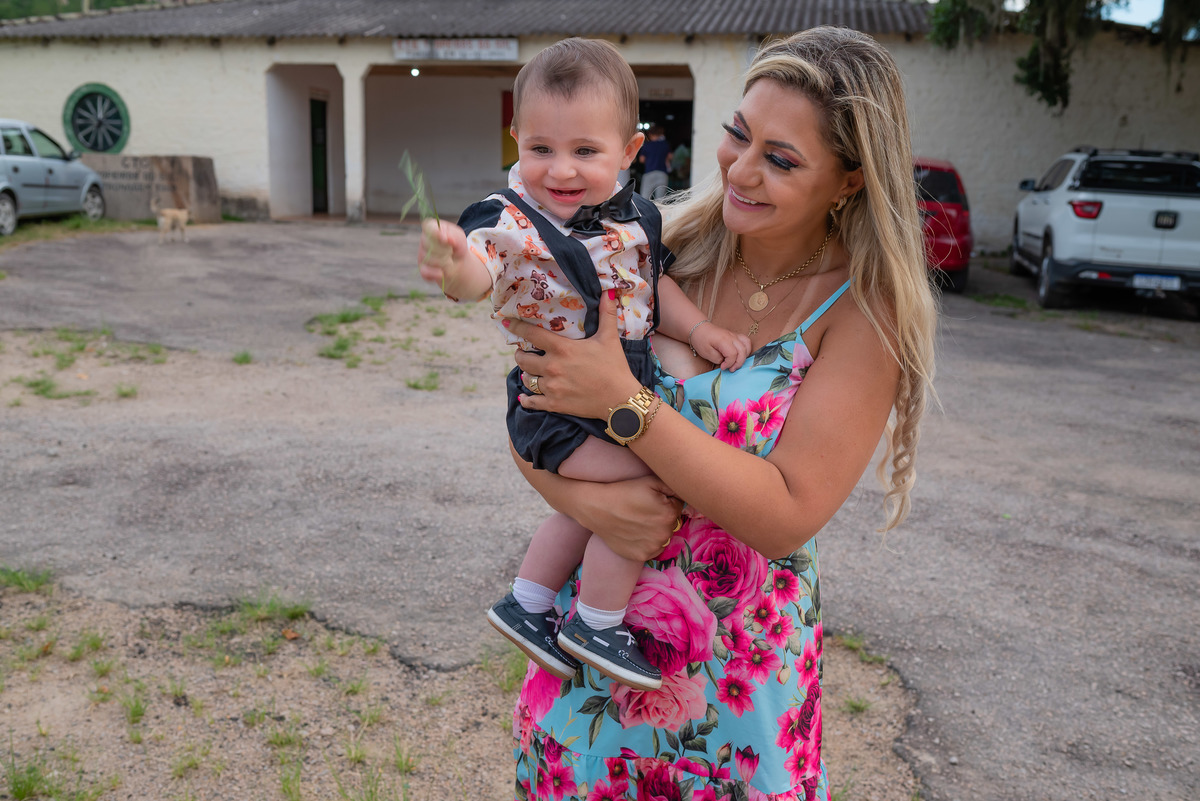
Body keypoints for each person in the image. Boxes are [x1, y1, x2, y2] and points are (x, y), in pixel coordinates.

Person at [503, 26, 938, 801]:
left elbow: (785, 515)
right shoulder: (655, 248)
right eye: (739, 135)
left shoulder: (862, 314)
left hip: (736, 686)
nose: (740, 168)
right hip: (591, 653)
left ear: (849, 181)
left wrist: (626, 403)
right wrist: (579, 499)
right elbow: (538, 407)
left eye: (781, 159)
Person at [417, 38, 751, 691]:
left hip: (614, 390)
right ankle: (597, 623)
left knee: (593, 504)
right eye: (540, 148)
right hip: (559, 404)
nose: (560, 170)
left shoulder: (638, 221)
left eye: (585, 151)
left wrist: (700, 327)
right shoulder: (510, 218)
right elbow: (477, 275)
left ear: (629, 152)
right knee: (665, 475)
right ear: (515, 138)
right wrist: (454, 263)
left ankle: (531, 601)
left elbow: (657, 293)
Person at [638, 125, 673, 200]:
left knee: (645, 198)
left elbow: (642, 159)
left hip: (649, 173)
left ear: (650, 135)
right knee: (660, 200)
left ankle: (645, 212)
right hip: (662, 173)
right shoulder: (665, 144)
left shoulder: (647, 145)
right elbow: (670, 156)